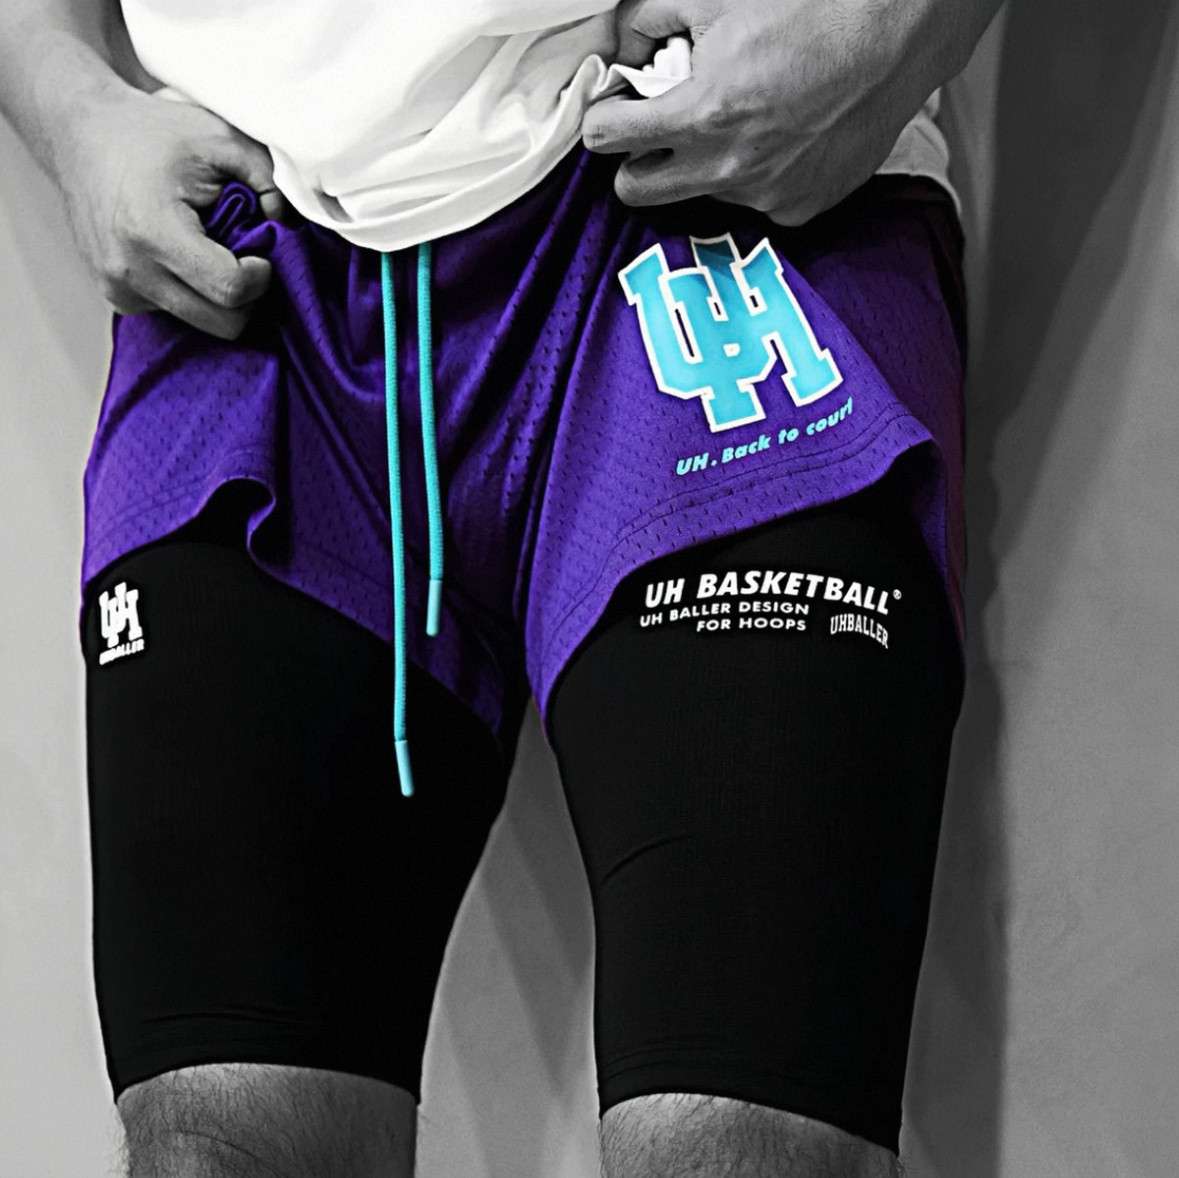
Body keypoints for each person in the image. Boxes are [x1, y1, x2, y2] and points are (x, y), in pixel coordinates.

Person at [0, 0, 1003, 1174]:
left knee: (746, 1147)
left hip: (717, 176)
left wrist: (888, 30)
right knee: (221, 1143)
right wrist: (71, 105)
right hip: (255, 244)